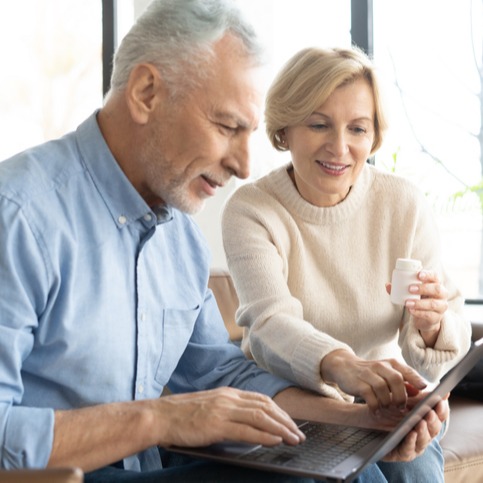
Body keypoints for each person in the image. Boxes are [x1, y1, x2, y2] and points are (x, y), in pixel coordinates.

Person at [0, 2, 447, 481]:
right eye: (227, 127)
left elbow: (222, 375)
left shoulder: (179, 239)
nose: (244, 166)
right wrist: (160, 418)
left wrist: (360, 420)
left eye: (249, 133)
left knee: (353, 467)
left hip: (147, 469)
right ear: (147, 93)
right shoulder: (21, 215)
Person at [222, 46, 472, 482]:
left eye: (357, 128)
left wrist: (432, 327)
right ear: (285, 130)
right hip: (299, 404)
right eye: (319, 124)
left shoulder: (403, 204)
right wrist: (346, 367)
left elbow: (441, 348)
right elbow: (270, 324)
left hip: (389, 398)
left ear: (373, 136)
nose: (339, 147)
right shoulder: (252, 210)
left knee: (414, 469)